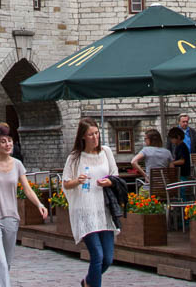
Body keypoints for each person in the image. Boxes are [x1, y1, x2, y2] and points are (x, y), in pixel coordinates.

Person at [61, 118, 118, 287]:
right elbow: (66, 183)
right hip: (85, 210)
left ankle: (87, 282)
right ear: (83, 137)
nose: (95, 137)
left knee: (108, 258)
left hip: (104, 209)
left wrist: (109, 181)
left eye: (96, 133)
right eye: (90, 134)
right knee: (97, 256)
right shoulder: (75, 157)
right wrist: (77, 181)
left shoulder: (106, 152)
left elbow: (115, 174)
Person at [0, 131, 45, 287]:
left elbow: (27, 189)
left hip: (11, 218)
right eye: (3, 142)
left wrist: (39, 204)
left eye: (10, 141)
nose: (8, 144)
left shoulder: (17, 164)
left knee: (6, 262)